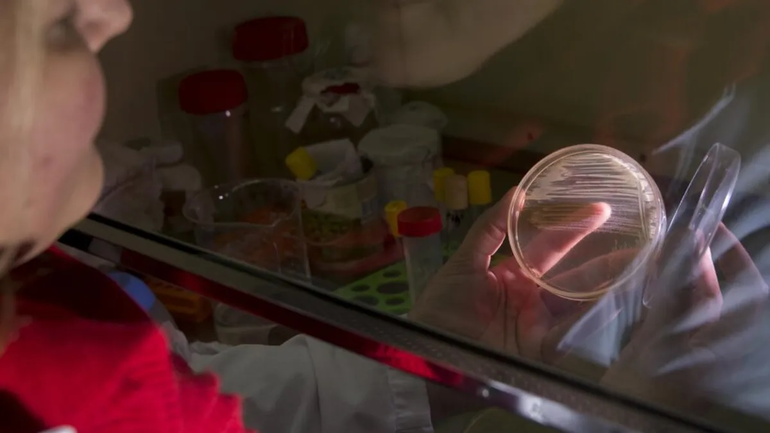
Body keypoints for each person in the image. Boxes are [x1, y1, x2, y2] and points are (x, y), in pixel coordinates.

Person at [1, 1, 768, 433]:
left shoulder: (56, 313)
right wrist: (633, 419)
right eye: (53, 25)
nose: (112, 13)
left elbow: (201, 407)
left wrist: (433, 362)